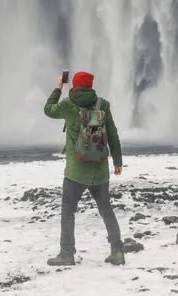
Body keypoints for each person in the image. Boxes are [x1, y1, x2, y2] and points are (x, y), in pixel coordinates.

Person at [44, 71, 125, 266]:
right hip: (100, 170)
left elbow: (48, 109)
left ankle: (66, 253)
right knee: (106, 210)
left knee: (68, 211)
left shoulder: (68, 104)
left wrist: (58, 87)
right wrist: (118, 162)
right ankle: (117, 252)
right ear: (90, 85)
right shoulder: (103, 105)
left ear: (75, 85)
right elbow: (112, 135)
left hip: (75, 171)